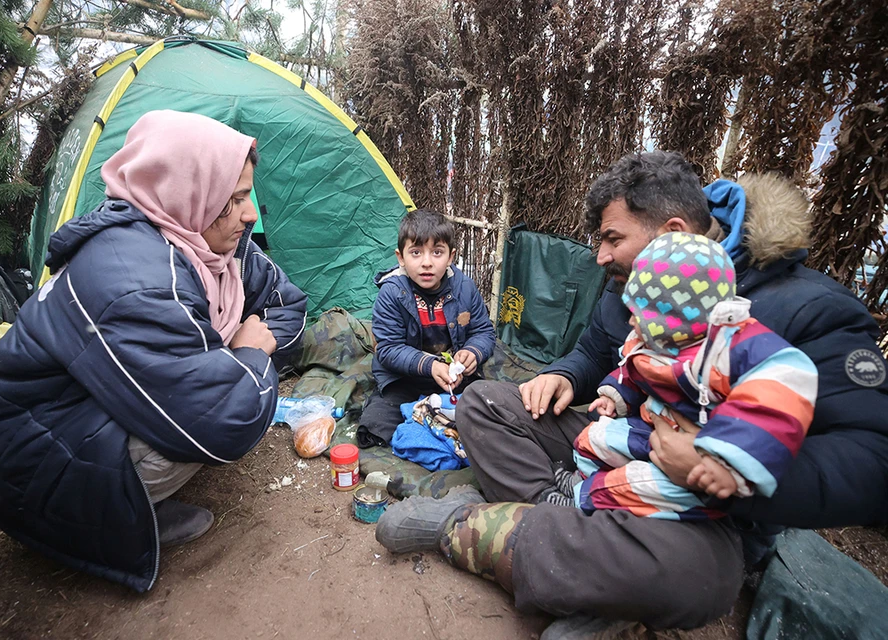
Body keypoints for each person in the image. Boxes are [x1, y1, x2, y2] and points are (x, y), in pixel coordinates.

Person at [376, 151, 888, 632]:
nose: (600, 256)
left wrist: (719, 468)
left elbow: (871, 457)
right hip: (621, 440)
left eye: (611, 239)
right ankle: (582, 550)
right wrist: (563, 376)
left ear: (671, 232)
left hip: (705, 510)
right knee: (485, 402)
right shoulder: (629, 283)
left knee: (697, 580)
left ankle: (471, 528)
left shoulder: (809, 309)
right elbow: (595, 351)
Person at [0, 111, 307, 592]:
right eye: (234, 199)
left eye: (246, 196)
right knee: (212, 416)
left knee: (215, 391)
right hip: (26, 469)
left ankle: (124, 496)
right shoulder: (133, 276)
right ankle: (115, 516)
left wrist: (240, 356)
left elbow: (287, 303)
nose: (250, 213)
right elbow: (223, 421)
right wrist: (249, 356)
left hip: (69, 425)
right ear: (189, 193)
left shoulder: (204, 243)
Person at [548, 232, 817, 521]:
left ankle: (582, 501)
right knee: (594, 438)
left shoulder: (731, 349)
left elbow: (778, 395)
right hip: (654, 430)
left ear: (672, 316)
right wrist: (615, 394)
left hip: (704, 461)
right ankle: (583, 480)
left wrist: (729, 460)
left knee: (638, 483)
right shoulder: (662, 340)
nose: (630, 321)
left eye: (640, 315)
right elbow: (634, 366)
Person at [357, 209, 496, 447]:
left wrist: (473, 352)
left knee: (489, 410)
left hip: (454, 377)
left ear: (451, 257)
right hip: (404, 378)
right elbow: (388, 349)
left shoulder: (465, 288)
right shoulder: (391, 293)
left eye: (437, 252)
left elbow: (484, 332)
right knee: (375, 425)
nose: (427, 262)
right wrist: (430, 365)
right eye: (416, 253)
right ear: (401, 257)